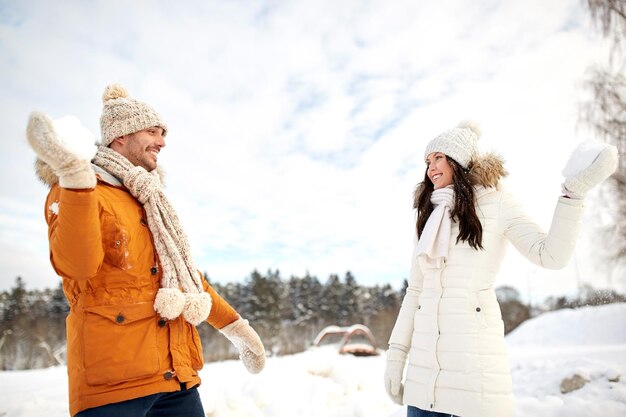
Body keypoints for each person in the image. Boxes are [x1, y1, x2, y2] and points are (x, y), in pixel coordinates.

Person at [26, 84, 266, 417]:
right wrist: (75, 180)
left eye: (163, 132)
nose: (162, 141)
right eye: (152, 131)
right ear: (120, 136)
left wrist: (236, 327)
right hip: (114, 384)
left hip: (176, 378)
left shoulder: (149, 197)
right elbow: (77, 266)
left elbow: (182, 274)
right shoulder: (78, 188)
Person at [383, 121, 618, 417]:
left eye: (439, 157)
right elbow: (415, 292)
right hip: (422, 384)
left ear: (459, 160)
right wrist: (396, 356)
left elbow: (551, 255)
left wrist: (573, 194)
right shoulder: (429, 217)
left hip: (472, 381)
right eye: (427, 161)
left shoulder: (497, 204)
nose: (430, 167)